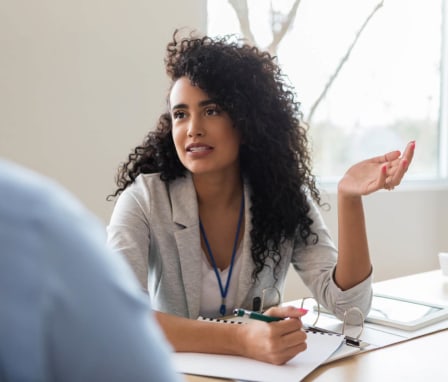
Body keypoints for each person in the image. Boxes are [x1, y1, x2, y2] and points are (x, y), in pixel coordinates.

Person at [107, 31, 415, 365]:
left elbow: (348, 306)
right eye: (181, 114)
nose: (193, 128)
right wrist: (242, 339)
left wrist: (349, 198)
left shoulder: (281, 194)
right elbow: (118, 316)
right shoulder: (143, 199)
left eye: (211, 111)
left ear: (246, 120)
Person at [0, 159, 182, 382]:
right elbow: (123, 341)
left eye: (212, 119)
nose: (194, 130)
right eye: (179, 120)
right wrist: (233, 338)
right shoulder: (34, 218)